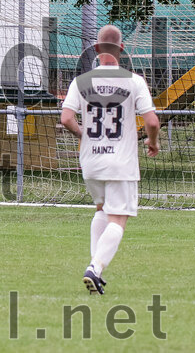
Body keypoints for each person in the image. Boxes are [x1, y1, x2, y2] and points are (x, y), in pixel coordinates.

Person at [60, 25, 159, 294]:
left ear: (95, 49)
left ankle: (95, 271)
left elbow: (66, 118)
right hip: (120, 162)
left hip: (90, 161)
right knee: (118, 219)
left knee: (102, 210)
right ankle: (95, 268)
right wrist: (152, 141)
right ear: (122, 50)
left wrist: (83, 134)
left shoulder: (80, 82)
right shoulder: (134, 81)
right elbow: (151, 120)